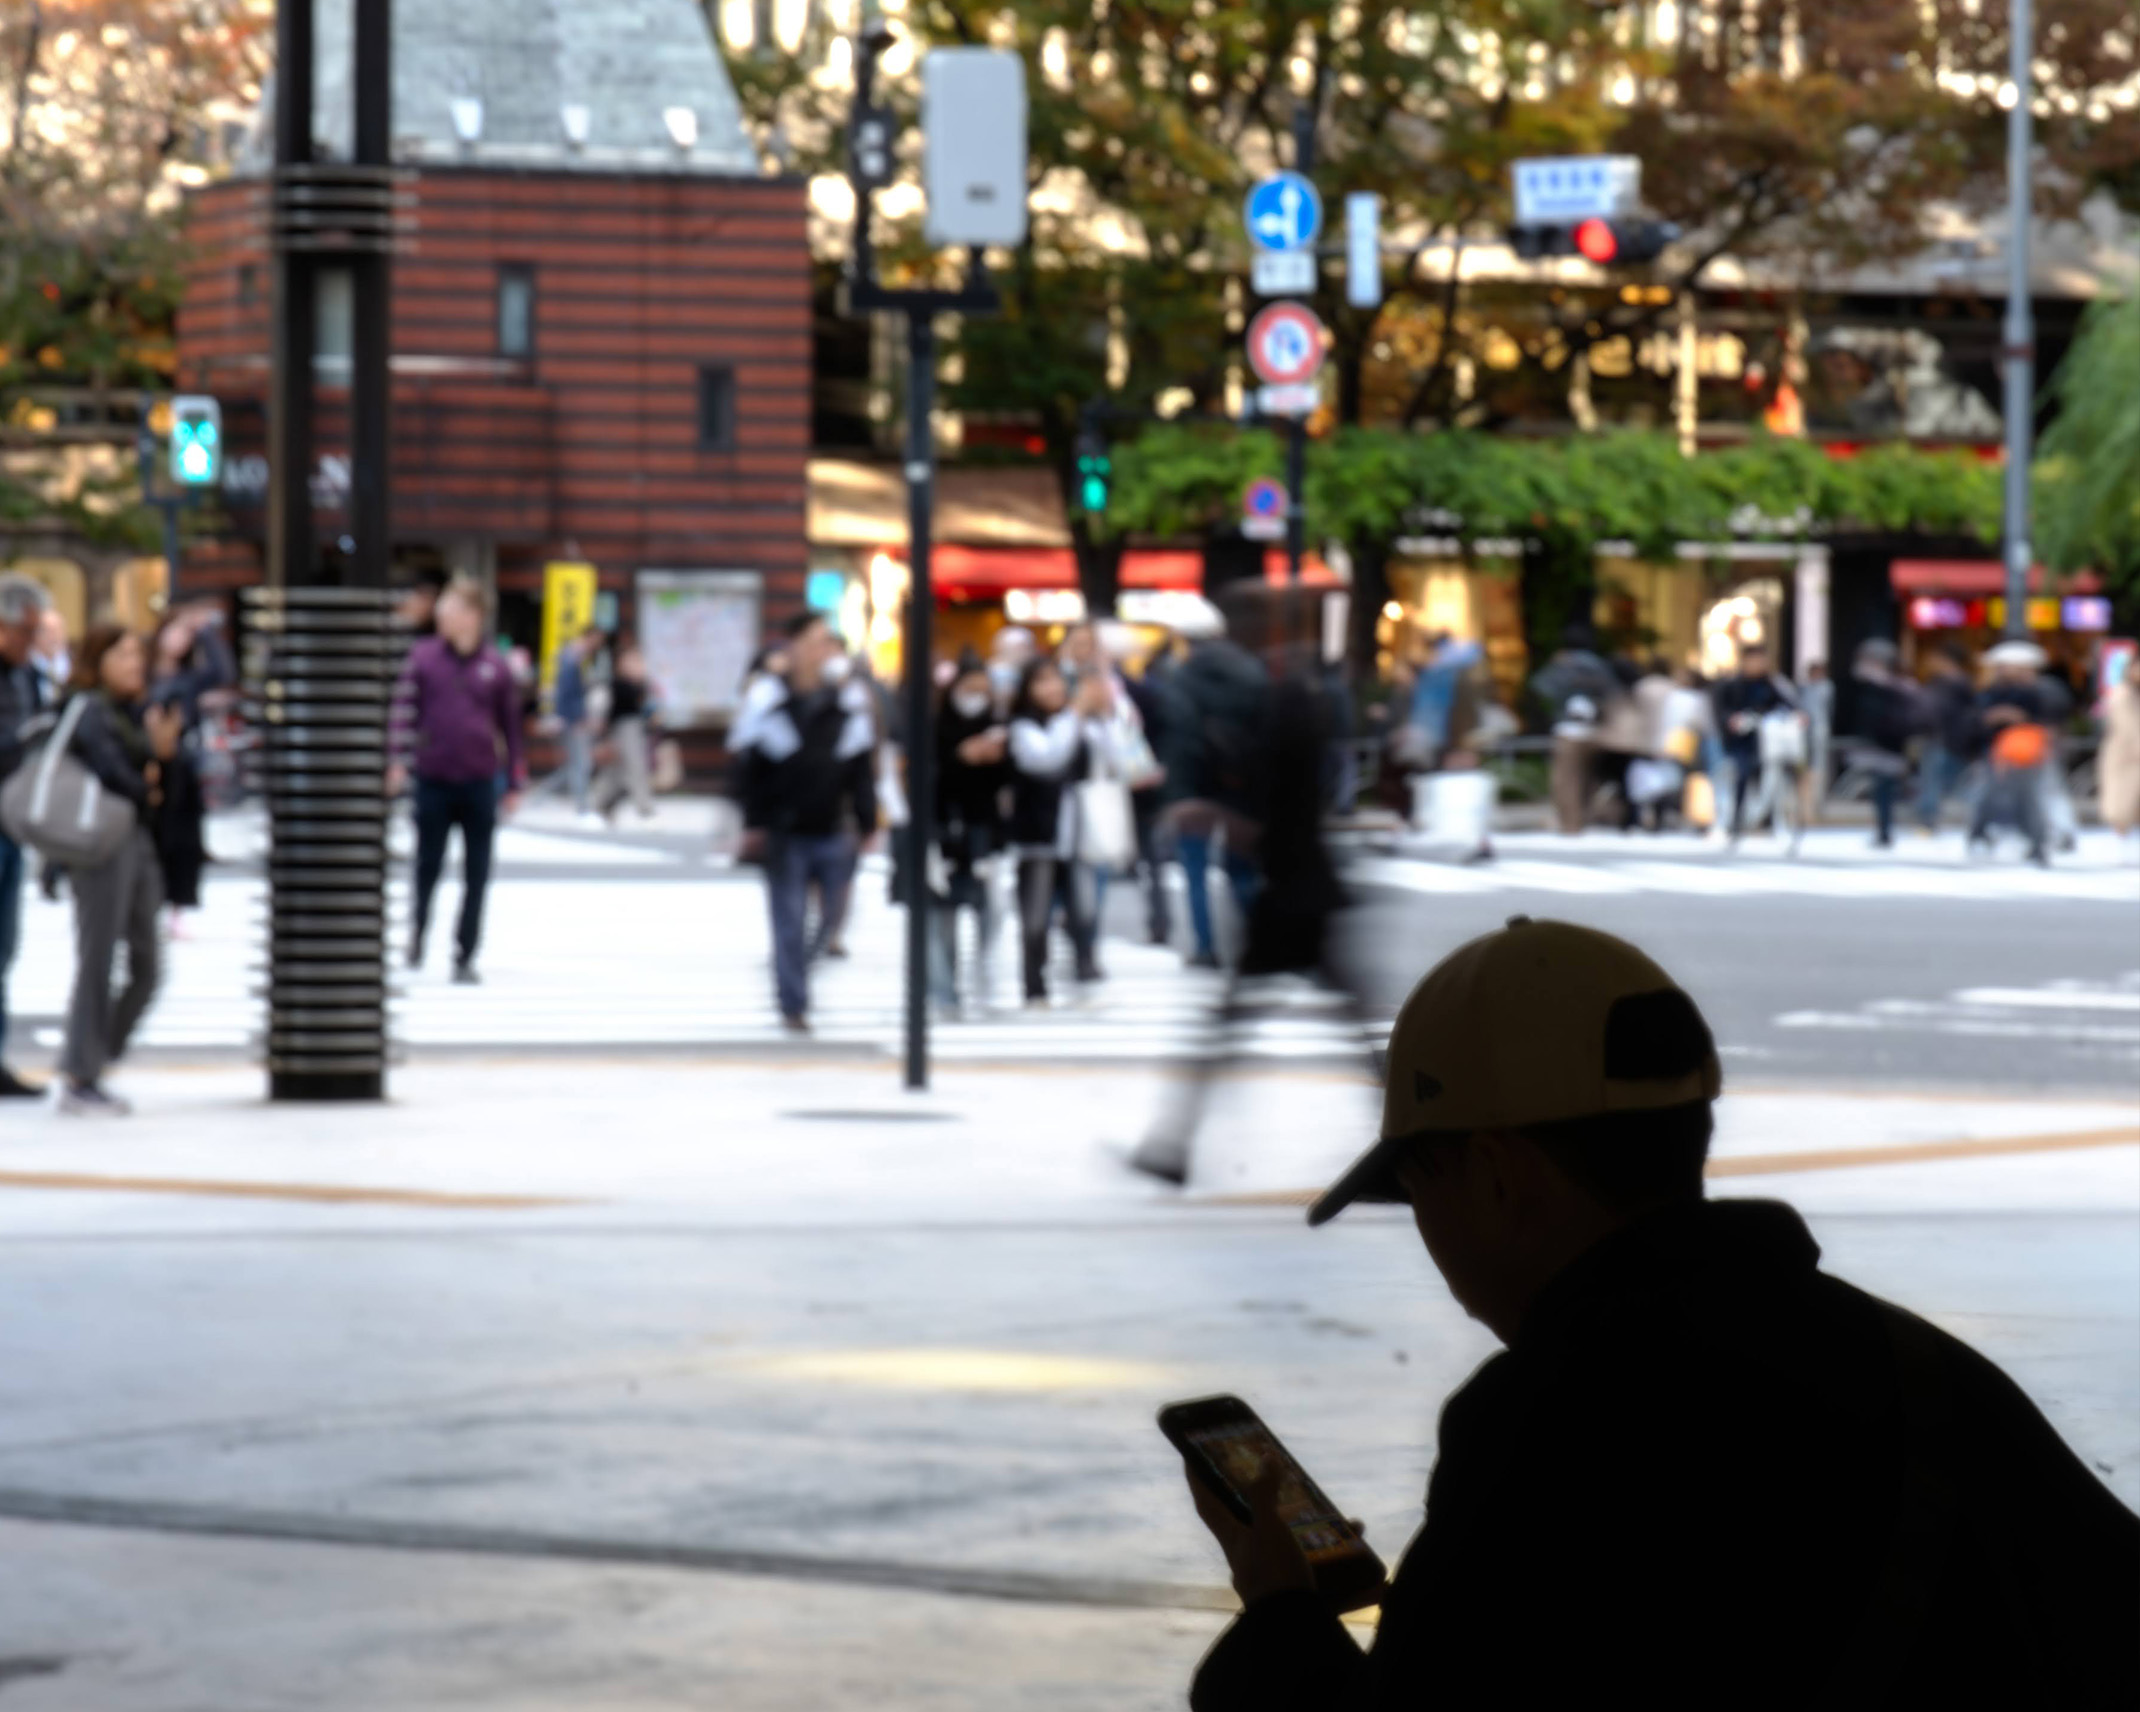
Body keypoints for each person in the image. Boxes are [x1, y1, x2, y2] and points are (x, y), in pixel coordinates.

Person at [1178, 918, 2140, 1710]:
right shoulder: (1914, 1363)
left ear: (1497, 1174)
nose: (1425, 1232)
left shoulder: (1557, 1418)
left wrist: (1279, 1615)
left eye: (1416, 1187)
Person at [52, 626, 179, 1116]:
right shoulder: (87, 708)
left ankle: (93, 1060)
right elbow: (116, 775)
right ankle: (81, 1074)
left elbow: (157, 778)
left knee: (148, 966)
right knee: (97, 959)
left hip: (136, 840)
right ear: (97, 658)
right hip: (99, 843)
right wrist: (149, 773)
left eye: (137, 653)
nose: (134, 662)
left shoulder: (132, 711)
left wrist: (159, 761)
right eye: (123, 653)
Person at [735, 612, 877, 1033]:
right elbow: (750, 765)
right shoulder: (770, 699)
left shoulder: (844, 702)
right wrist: (754, 821)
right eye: (815, 641)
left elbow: (860, 766)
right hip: (786, 828)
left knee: (832, 915)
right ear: (793, 646)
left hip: (833, 824)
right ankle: (793, 1000)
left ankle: (797, 974)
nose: (822, 650)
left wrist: (867, 820)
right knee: (789, 920)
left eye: (827, 642)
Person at [389, 576, 525, 984]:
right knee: (426, 864)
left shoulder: (495, 666)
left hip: (479, 781)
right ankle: (417, 933)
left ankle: (465, 952)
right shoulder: (424, 657)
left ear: (473, 616)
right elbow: (403, 709)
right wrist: (396, 758)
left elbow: (511, 728)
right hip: (433, 776)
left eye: (450, 609)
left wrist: (515, 780)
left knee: (477, 871)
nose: (442, 616)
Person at [1007, 656, 1119, 1006]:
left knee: (1084, 909)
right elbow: (1045, 758)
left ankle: (1085, 962)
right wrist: (1073, 716)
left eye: (1056, 680)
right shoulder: (1025, 725)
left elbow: (1115, 757)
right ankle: (1034, 983)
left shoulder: (1079, 721)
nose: (1052, 688)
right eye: (1042, 681)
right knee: (1036, 918)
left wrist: (1102, 712)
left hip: (1078, 833)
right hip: (1038, 835)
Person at [1161, 632, 1268, 970]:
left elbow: (1176, 738)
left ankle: (1205, 947)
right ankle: (1253, 941)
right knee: (1242, 870)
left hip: (1195, 787)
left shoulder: (1183, 677)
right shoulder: (1254, 675)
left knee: (1195, 871)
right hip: (1240, 788)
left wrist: (1178, 792)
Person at [144, 602, 233, 932]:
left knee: (183, 840)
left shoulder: (190, 677)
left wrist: (205, 631)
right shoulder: (143, 669)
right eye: (177, 629)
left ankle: (176, 907)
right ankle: (147, 903)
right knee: (152, 836)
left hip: (181, 764)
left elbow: (223, 673)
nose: (180, 638)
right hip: (148, 762)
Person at [0, 574, 52, 1098]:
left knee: (4, 948)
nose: (32, 641)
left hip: (12, 823)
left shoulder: (26, 676)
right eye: (26, 630)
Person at [936, 652, 1009, 1011]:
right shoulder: (939, 725)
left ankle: (983, 964)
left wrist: (996, 757)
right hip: (947, 829)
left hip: (986, 831)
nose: (975, 696)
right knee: (947, 909)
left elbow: (1009, 783)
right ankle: (947, 981)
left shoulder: (998, 725)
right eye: (969, 689)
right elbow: (928, 779)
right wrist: (960, 757)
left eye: (983, 690)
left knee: (989, 906)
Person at [1528, 626, 1618, 836]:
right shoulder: (1599, 666)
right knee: (1589, 778)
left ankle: (1570, 824)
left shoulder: (1561, 665)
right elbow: (1613, 694)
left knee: (1566, 780)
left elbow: (1540, 687)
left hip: (1568, 730)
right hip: (1595, 730)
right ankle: (1585, 818)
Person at [1968, 644, 2052, 865]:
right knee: (1988, 794)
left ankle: (2036, 842)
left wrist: (2015, 716)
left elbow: (2043, 718)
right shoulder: (1990, 690)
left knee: (2028, 798)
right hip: (1994, 750)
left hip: (2024, 752)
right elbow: (1978, 717)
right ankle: (1980, 834)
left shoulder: (2035, 690)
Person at [1712, 641, 1799, 843]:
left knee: (1771, 775)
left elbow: (1786, 702)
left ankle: (1768, 819)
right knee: (1742, 774)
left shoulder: (1768, 683)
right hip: (1741, 740)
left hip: (1767, 739)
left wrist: (1797, 714)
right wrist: (1732, 721)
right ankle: (1737, 819)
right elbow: (1721, 711)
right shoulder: (1732, 683)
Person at [1850, 641, 1918, 849]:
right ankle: (1884, 830)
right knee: (1883, 790)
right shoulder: (1883, 686)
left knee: (1884, 790)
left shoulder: (1889, 687)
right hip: (1884, 744)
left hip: (1888, 745)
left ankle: (1885, 830)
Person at [1916, 645, 1980, 833]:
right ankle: (1929, 818)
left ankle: (1930, 818)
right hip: (1941, 739)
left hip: (1949, 740)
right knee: (1939, 781)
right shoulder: (1938, 683)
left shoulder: (1956, 685)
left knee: (1944, 782)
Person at [594, 639, 656, 821]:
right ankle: (641, 806)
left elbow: (642, 703)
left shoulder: (635, 682)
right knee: (628, 767)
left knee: (621, 769)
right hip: (622, 728)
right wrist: (605, 734)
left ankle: (604, 804)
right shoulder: (617, 683)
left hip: (633, 727)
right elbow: (614, 710)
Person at [551, 628, 599, 823]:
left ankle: (582, 804)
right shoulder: (571, 660)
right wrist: (576, 717)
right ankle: (582, 806)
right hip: (573, 720)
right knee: (580, 764)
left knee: (574, 765)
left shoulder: (570, 659)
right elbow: (567, 693)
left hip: (571, 719)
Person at [2100, 651, 2140, 845]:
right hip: (2125, 757)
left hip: (2132, 756)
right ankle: (2122, 844)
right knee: (2122, 804)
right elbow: (2128, 727)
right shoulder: (2122, 694)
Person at [1800, 657, 1835, 825]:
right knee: (1804, 771)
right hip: (1804, 733)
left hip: (1818, 732)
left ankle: (1815, 808)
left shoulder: (1825, 688)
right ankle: (1806, 810)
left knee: (1818, 769)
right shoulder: (1805, 688)